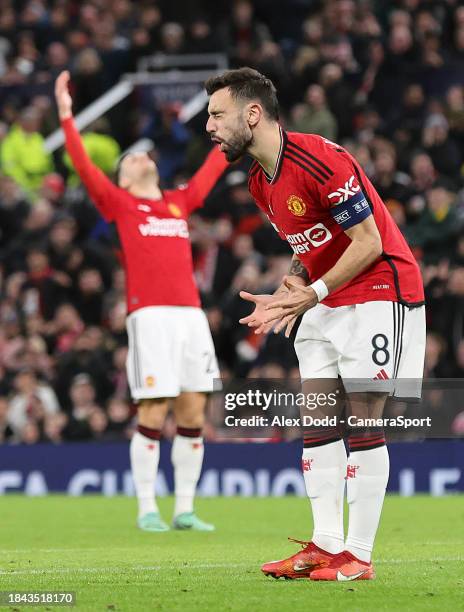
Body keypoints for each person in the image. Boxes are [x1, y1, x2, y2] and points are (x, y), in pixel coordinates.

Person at [205, 68, 425, 581]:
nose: (209, 126)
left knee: (365, 419)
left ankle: (360, 557)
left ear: (252, 113)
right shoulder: (260, 181)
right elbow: (312, 244)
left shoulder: (319, 158)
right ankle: (325, 545)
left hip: (378, 290)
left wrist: (313, 293)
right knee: (319, 420)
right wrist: (289, 290)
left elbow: (368, 241)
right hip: (323, 299)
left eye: (218, 115)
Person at [55, 70, 228, 533]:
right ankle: (147, 507)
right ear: (124, 178)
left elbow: (215, 164)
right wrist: (67, 115)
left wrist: (235, 127)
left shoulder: (179, 201)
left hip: (191, 316)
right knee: (153, 410)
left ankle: (186, 509)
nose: (142, 158)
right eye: (133, 158)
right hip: (150, 315)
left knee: (193, 412)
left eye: (144, 155)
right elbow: (82, 164)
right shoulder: (119, 203)